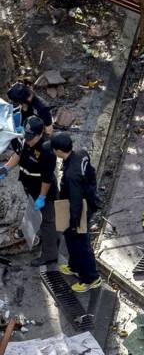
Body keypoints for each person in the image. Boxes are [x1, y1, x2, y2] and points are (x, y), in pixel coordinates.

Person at [0, 116, 58, 266]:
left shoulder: (47, 150)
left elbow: (47, 178)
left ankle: (49, 255)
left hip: (44, 192)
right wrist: (6, 168)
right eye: (27, 136)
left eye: (31, 137)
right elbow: (18, 154)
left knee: (48, 222)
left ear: (40, 134)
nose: (28, 140)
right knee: (32, 211)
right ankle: (29, 232)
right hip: (29, 187)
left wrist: (42, 197)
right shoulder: (25, 140)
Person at [51, 133, 102, 292]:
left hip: (79, 210)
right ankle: (74, 266)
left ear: (59, 151)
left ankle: (91, 278)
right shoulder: (81, 153)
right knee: (72, 241)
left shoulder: (71, 175)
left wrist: (74, 223)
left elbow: (76, 201)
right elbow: (91, 174)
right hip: (86, 201)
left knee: (81, 244)